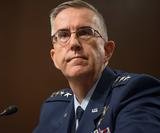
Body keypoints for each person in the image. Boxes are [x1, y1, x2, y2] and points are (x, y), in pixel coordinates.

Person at [33, 0, 160, 133]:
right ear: (54, 58)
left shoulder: (135, 92)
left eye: (85, 32)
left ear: (107, 50)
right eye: (63, 35)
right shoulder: (53, 108)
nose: (74, 43)